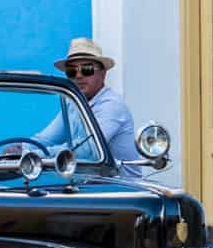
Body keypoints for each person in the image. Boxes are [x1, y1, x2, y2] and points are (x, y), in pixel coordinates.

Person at [43, 37, 140, 166]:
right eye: (72, 71)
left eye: (87, 69)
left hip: (118, 183)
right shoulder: (72, 104)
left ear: (103, 73)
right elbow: (47, 139)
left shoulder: (111, 105)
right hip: (85, 182)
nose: (78, 76)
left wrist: (37, 154)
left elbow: (88, 150)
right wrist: (19, 148)